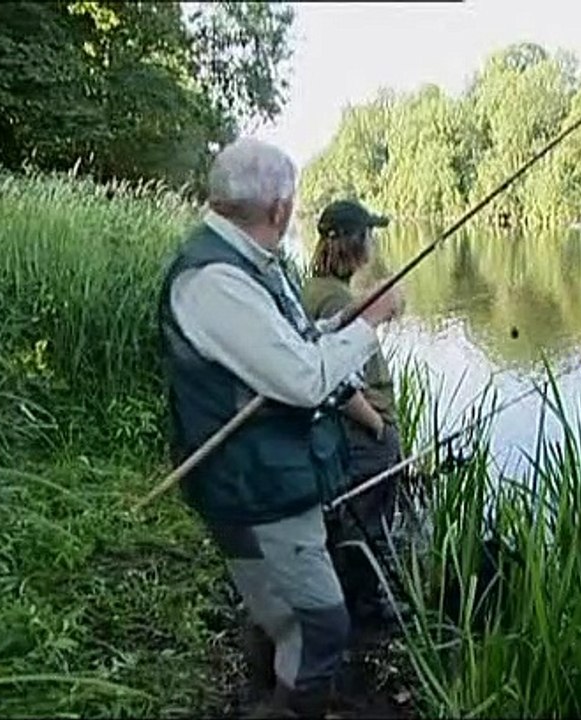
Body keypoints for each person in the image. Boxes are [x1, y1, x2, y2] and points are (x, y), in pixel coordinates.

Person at [157, 138, 402, 718]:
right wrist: (368, 323)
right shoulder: (215, 278)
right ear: (279, 210)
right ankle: (289, 706)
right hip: (255, 484)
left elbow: (290, 347)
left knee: (282, 610)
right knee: (321, 624)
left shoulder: (251, 266)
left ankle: (271, 687)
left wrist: (343, 322)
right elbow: (303, 379)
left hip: (271, 476)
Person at [300, 199, 407, 628]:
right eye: (369, 233)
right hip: (363, 436)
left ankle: (345, 603)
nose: (373, 240)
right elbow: (339, 381)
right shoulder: (331, 300)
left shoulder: (319, 290)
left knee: (352, 519)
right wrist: (378, 426)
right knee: (367, 522)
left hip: (350, 435)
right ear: (353, 241)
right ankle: (362, 613)